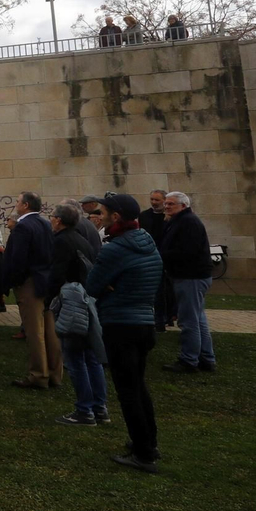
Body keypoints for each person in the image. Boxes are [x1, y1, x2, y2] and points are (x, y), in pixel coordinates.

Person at [85, 192, 164, 474]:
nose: (99, 216)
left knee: (128, 390)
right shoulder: (147, 242)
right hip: (144, 322)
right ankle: (147, 442)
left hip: (121, 324)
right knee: (139, 386)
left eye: (103, 212)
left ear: (115, 217)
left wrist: (109, 285)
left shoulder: (115, 248)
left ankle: (144, 454)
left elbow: (92, 285)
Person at [3, 191, 60, 389]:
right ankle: (54, 372)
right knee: (49, 329)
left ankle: (38, 375)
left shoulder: (23, 227)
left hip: (29, 282)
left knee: (34, 331)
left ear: (26, 205)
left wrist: (15, 281)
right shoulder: (45, 223)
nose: (15, 204)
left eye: (17, 201)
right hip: (45, 279)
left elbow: (18, 259)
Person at [50, 243, 109, 428]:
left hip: (75, 324)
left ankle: (85, 410)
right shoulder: (84, 248)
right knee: (92, 361)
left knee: (77, 363)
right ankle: (99, 407)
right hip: (90, 320)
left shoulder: (70, 285)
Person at [160, 191, 215, 373]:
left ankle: (189, 360)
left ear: (184, 206)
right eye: (166, 203)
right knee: (198, 319)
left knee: (188, 320)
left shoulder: (188, 222)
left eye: (171, 204)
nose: (167, 206)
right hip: (190, 276)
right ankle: (206, 358)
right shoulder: (180, 221)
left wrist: (160, 256)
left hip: (191, 277)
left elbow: (186, 252)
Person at [138, 190, 173, 330]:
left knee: (168, 290)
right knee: (156, 291)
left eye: (157, 200)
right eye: (152, 199)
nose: (153, 202)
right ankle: (158, 319)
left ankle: (169, 316)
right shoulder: (144, 216)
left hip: (166, 257)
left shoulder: (169, 217)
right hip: (149, 256)